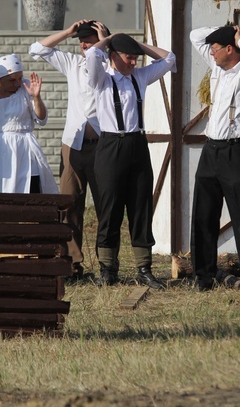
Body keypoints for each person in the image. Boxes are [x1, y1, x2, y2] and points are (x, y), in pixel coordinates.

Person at [85, 31, 176, 289]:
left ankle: (144, 268)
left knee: (140, 205)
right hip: (111, 144)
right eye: (129, 58)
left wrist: (137, 46)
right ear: (113, 56)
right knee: (110, 207)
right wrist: (110, 39)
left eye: (136, 58)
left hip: (137, 144)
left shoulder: (139, 76)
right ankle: (107, 268)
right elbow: (92, 54)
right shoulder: (101, 77)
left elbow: (169, 58)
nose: (134, 62)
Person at [189, 25, 240, 290]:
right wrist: (226, 29)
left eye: (216, 48)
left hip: (237, 150)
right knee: (203, 215)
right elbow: (195, 35)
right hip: (211, 149)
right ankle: (203, 276)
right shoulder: (217, 68)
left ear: (229, 50)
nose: (210, 52)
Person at [29, 20, 108, 279]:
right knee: (70, 203)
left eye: (90, 40)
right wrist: (68, 32)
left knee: (105, 204)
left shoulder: (112, 65)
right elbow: (36, 49)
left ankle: (107, 264)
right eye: (81, 41)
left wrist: (105, 41)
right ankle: (72, 264)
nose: (84, 44)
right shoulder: (73, 63)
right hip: (72, 145)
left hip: (103, 146)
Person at [0, 53, 57, 194]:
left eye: (19, 78)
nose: (17, 83)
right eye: (11, 80)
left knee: (29, 187)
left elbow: (41, 119)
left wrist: (36, 96)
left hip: (23, 148)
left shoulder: (25, 88)